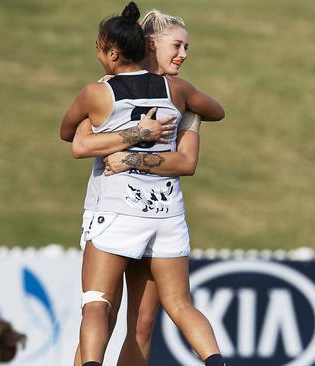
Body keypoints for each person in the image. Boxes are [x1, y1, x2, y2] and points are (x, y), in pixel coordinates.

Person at [59, 3, 225, 366]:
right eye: (176, 46)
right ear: (148, 44)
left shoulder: (174, 94)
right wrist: (142, 133)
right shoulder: (176, 94)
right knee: (122, 316)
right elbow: (83, 145)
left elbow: (186, 163)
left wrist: (132, 155)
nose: (182, 55)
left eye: (186, 48)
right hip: (159, 216)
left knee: (118, 316)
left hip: (126, 214)